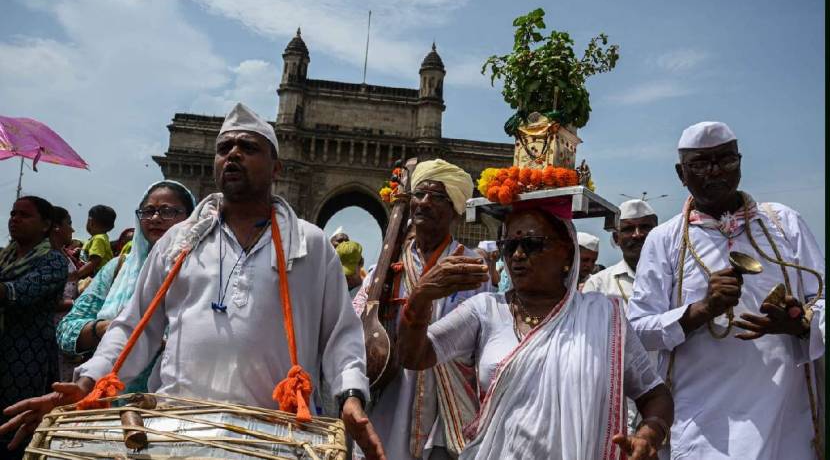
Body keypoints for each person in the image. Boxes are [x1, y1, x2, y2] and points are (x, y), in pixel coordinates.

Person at [1, 103, 385, 459]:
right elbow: (135, 326)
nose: (233, 154)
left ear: (277, 168)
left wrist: (350, 395)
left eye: (248, 147)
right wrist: (88, 383)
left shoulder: (311, 245)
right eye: (224, 148)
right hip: (179, 428)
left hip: (274, 435)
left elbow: (340, 333)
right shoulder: (179, 241)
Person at [398, 201, 673, 459]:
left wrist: (649, 434)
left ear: (566, 251)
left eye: (531, 244)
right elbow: (415, 356)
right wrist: (420, 299)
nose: (517, 255)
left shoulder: (604, 316)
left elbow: (654, 394)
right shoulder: (485, 310)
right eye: (509, 245)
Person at [628, 121, 825, 460]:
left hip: (784, 420)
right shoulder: (664, 239)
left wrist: (800, 322)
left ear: (740, 162)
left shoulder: (783, 223)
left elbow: (821, 297)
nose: (715, 171)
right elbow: (639, 330)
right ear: (681, 173)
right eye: (701, 164)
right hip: (703, 424)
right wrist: (701, 311)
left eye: (726, 160)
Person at [353, 158, 491, 460]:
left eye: (438, 197)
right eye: (419, 194)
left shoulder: (471, 268)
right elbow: (354, 328)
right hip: (388, 398)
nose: (424, 203)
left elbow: (482, 341)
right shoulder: (385, 270)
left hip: (445, 409)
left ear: (455, 208)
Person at [56, 181, 195, 393]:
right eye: (148, 211)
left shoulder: (202, 273)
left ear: (191, 219)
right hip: (107, 401)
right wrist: (107, 328)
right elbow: (66, 331)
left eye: (167, 211)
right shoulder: (118, 268)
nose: (155, 218)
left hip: (174, 405)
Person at [583, 199, 659, 433]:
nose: (637, 235)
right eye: (627, 229)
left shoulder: (675, 277)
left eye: (645, 228)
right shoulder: (598, 283)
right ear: (616, 239)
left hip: (669, 391)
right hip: (620, 395)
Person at [0, 196, 68, 458]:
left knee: (16, 425)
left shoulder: (53, 261)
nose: (15, 219)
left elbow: (23, 292)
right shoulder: (4, 259)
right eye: (13, 213)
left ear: (45, 225)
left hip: (26, 359)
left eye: (25, 215)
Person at [49, 206, 81, 382]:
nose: (73, 229)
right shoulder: (48, 257)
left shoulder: (61, 254)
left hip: (65, 328)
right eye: (69, 223)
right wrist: (75, 304)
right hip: (52, 330)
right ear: (56, 227)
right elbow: (46, 301)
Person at [72, 205, 116, 281]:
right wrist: (80, 251)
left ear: (91, 222)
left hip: (96, 279)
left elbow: (94, 261)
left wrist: (77, 275)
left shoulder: (98, 239)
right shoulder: (98, 238)